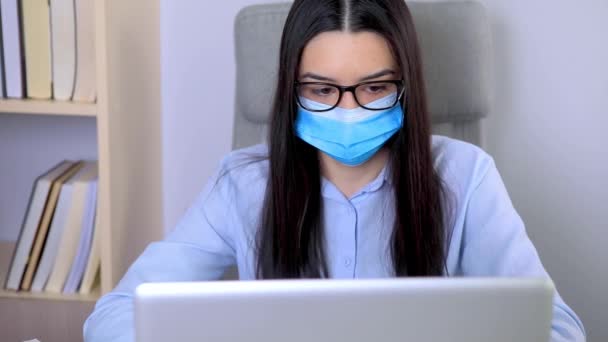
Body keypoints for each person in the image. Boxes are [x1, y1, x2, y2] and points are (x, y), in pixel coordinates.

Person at [83, 0, 586, 341]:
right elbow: (113, 315)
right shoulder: (242, 182)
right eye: (322, 90)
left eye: (374, 88)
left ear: (406, 87)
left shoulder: (465, 175)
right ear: (290, 91)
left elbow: (559, 329)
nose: (349, 110)